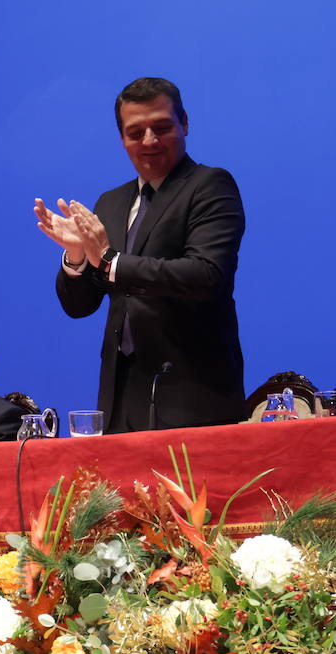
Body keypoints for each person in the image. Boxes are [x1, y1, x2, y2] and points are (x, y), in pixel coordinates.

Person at [35, 76, 244, 433]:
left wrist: (110, 260)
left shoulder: (210, 186)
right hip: (120, 395)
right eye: (136, 132)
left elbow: (206, 275)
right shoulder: (111, 203)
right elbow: (80, 306)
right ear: (122, 139)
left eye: (162, 127)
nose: (150, 140)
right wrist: (76, 257)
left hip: (190, 392)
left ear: (185, 124)